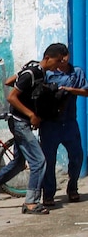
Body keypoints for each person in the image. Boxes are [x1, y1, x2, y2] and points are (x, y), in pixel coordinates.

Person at [0, 43, 68, 214]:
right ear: (47, 58)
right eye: (58, 60)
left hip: (20, 121)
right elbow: (12, 97)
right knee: (39, 161)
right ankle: (31, 203)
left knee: (17, 163)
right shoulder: (33, 72)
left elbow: (9, 81)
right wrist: (31, 114)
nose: (59, 64)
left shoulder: (34, 69)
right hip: (20, 122)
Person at [40, 53, 87, 205]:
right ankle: (48, 194)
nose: (63, 60)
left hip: (69, 123)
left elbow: (86, 91)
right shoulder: (46, 73)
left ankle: (72, 187)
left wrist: (70, 90)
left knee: (77, 156)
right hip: (49, 124)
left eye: (65, 56)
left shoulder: (77, 72)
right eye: (60, 57)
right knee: (49, 160)